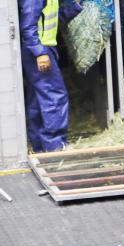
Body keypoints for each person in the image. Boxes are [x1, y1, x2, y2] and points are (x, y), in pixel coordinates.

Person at [19, 0, 81, 152]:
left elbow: (53, 19)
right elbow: (27, 27)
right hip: (39, 50)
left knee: (37, 100)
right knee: (55, 96)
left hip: (42, 49)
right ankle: (55, 145)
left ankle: (40, 146)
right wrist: (39, 52)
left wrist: (76, 6)